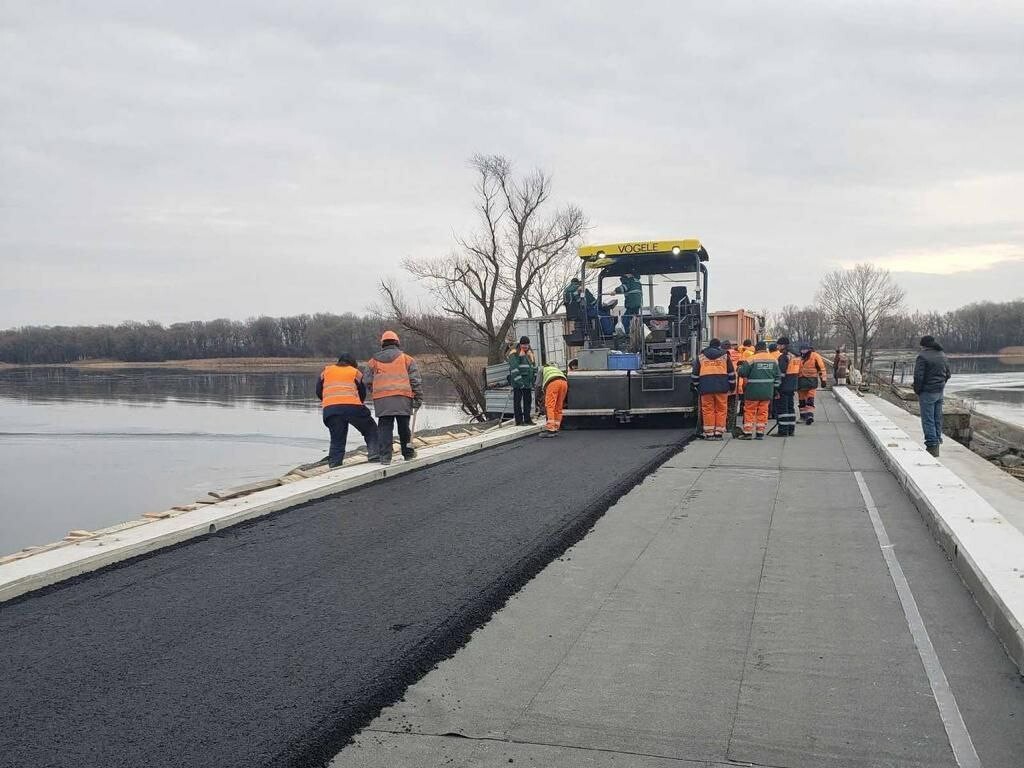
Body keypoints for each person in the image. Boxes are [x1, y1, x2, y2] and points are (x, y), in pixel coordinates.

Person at [365, 330, 424, 465]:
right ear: (397, 343)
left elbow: (367, 381)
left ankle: (385, 457)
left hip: (382, 400)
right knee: (403, 426)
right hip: (403, 398)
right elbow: (415, 381)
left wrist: (375, 391)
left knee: (385, 427)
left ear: (382, 344)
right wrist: (418, 398)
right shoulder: (407, 359)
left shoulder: (372, 361)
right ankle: (408, 454)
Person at [316, 353, 379, 468]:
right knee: (370, 429)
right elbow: (362, 393)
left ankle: (335, 464)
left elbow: (319, 391)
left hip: (331, 409)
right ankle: (374, 453)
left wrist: (330, 401)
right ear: (353, 364)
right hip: (352, 406)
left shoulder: (326, 372)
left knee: (337, 439)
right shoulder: (355, 372)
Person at [913, 335, 951, 457]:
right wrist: (941, 385)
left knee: (928, 419)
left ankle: (932, 447)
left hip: (927, 392)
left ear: (923, 345)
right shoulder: (942, 355)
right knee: (937, 418)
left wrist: (917, 390)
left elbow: (918, 377)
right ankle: (937, 441)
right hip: (939, 391)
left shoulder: (922, 357)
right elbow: (948, 374)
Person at [691, 338, 735, 439]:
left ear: (709, 346)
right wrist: (732, 387)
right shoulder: (725, 356)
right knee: (721, 409)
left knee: (708, 410)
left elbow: (694, 375)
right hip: (722, 387)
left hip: (705, 388)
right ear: (719, 346)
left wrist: (698, 386)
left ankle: (709, 433)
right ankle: (719, 433)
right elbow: (731, 373)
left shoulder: (701, 357)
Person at [737, 341, 781, 439]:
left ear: (756, 348)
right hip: (767, 391)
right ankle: (760, 433)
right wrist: (775, 389)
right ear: (766, 349)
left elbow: (742, 373)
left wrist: (739, 368)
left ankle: (748, 432)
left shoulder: (751, 359)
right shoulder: (773, 360)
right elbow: (778, 376)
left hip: (752, 390)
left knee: (749, 411)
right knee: (763, 411)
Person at [507, 336, 537, 426]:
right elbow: (514, 369)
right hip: (518, 382)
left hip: (528, 382)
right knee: (517, 401)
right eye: (524, 345)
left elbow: (533, 367)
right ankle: (519, 421)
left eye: (527, 345)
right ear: (520, 344)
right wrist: (520, 382)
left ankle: (527, 419)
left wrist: (534, 379)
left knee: (528, 401)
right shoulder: (515, 353)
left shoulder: (530, 353)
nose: (525, 346)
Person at [774, 336, 800, 436]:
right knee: (790, 408)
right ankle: (791, 429)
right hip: (793, 384)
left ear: (783, 345)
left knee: (783, 409)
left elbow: (781, 374)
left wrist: (776, 387)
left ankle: (783, 431)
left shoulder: (784, 357)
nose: (777, 347)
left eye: (778, 345)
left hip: (784, 386)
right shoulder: (796, 355)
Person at [797, 343, 828, 425]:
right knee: (801, 400)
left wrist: (823, 380)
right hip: (800, 381)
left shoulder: (815, 356)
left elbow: (822, 369)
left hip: (811, 381)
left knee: (810, 399)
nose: (803, 351)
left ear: (809, 349)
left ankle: (809, 416)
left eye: (804, 349)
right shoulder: (798, 357)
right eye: (802, 349)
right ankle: (803, 416)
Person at [540, 361, 569, 437]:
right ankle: (556, 427)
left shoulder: (542, 369)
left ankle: (550, 429)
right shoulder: (556, 369)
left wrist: (537, 398)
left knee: (550, 406)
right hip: (564, 383)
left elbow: (537, 385)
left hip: (553, 383)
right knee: (558, 406)